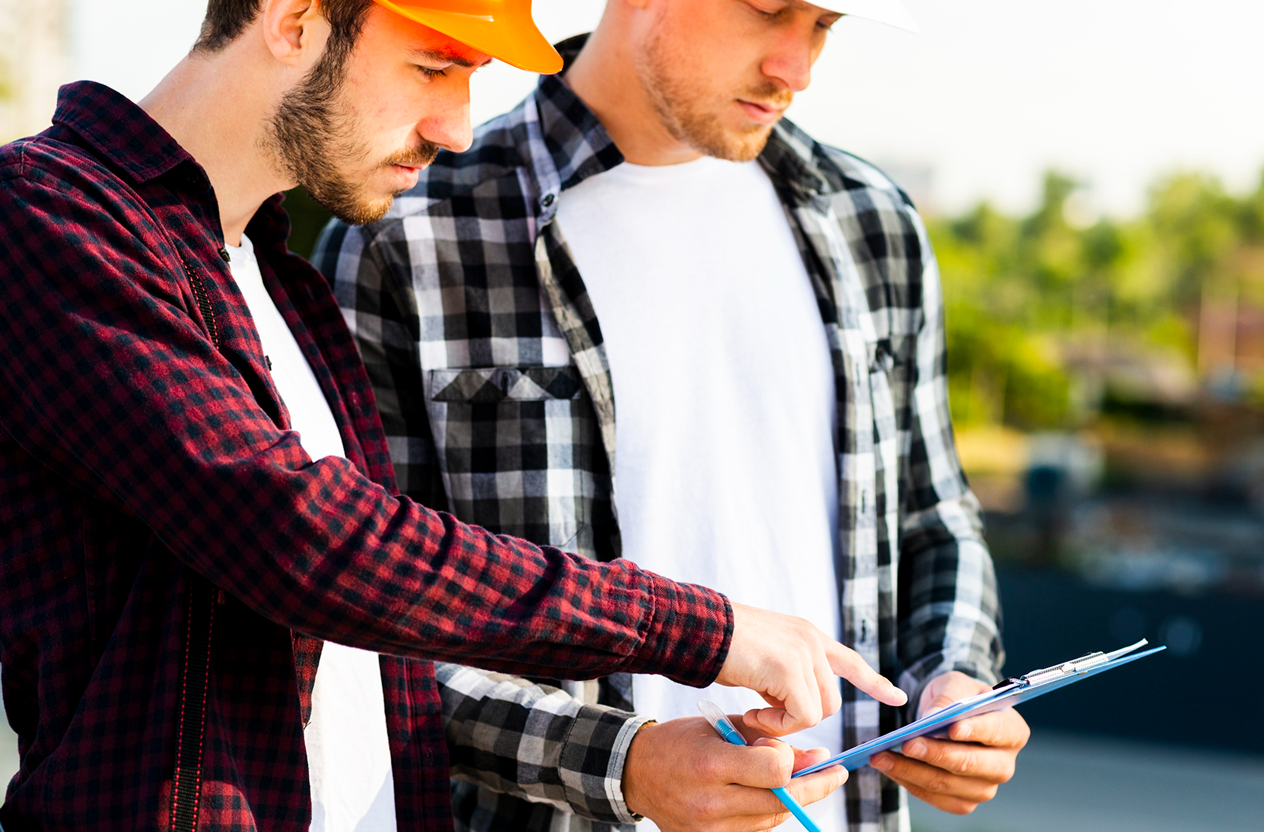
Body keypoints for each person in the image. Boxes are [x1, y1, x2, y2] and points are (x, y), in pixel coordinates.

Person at [0, 1, 912, 830]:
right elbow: (314, 542)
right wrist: (699, 629)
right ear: (292, 18)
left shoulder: (280, 284)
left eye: (472, 79)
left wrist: (628, 756)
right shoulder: (46, 216)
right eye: (435, 67)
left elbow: (395, 623)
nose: (456, 126)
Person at [315, 0, 1032, 830]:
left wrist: (958, 682)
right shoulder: (411, 231)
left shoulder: (870, 220)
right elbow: (367, 617)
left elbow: (934, 515)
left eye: (824, 26)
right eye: (768, 11)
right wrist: (626, 767)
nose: (795, 67)